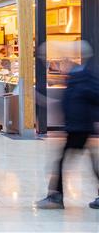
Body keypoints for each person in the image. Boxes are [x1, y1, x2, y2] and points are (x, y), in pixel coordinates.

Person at [37, 42, 99, 210]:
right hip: (77, 126)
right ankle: (55, 196)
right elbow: (73, 100)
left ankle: (55, 197)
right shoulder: (78, 75)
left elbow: (91, 97)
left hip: (79, 127)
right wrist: (50, 102)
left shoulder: (83, 76)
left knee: (61, 161)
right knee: (91, 162)